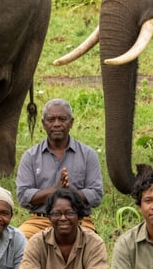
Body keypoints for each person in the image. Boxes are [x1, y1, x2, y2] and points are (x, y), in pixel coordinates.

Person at [16, 99, 103, 240]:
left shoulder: (88, 154)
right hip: (40, 220)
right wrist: (55, 190)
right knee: (19, 240)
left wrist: (69, 194)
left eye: (62, 119)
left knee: (92, 242)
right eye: (51, 119)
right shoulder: (30, 156)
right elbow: (23, 196)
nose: (56, 124)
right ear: (44, 124)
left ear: (71, 122)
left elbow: (96, 194)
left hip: (78, 220)